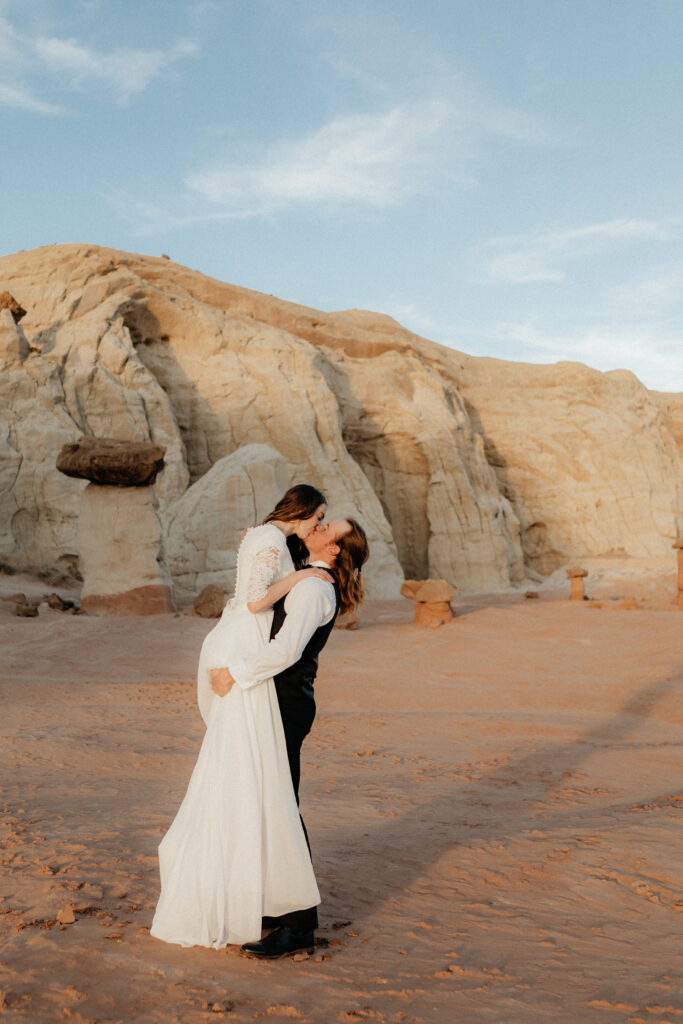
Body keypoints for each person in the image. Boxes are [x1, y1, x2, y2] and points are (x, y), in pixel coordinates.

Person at [150, 484, 331, 949]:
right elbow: (254, 601)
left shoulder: (273, 542)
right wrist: (300, 577)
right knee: (261, 785)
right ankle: (283, 911)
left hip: (253, 660)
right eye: (319, 516)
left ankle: (277, 907)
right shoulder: (271, 542)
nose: (320, 524)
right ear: (302, 510)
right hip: (249, 655)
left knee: (260, 785)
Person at [210, 517, 370, 959]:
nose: (316, 529)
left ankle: (299, 924)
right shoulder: (305, 578)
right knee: (266, 802)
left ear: (334, 550)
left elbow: (286, 651)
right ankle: (275, 907)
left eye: (326, 528)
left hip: (285, 704)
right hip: (277, 700)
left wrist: (233, 675)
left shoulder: (314, 588)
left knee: (280, 805)